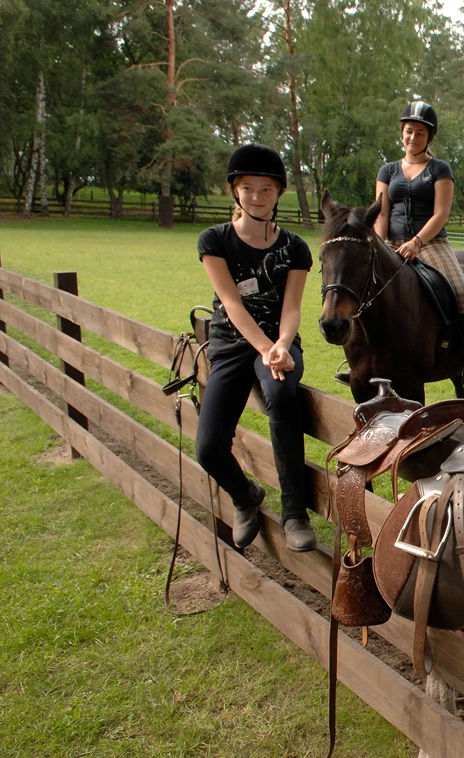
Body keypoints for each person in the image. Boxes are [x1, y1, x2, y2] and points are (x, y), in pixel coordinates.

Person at [195, 143, 317, 553]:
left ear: (279, 193)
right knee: (208, 447)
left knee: (283, 396)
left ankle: (295, 513)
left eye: (267, 189)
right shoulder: (215, 241)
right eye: (249, 188)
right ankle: (245, 497)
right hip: (232, 343)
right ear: (235, 191)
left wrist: (281, 345)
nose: (258, 197)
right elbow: (231, 302)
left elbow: (293, 305)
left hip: (279, 343)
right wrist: (265, 347)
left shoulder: (296, 248)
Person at [350, 100, 464, 388]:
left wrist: (417, 241)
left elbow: (441, 212)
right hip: (390, 241)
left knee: (461, 293)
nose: (413, 137)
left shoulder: (440, 169)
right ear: (402, 133)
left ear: (428, 137)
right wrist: (380, 243)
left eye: (420, 133)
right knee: (360, 290)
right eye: (409, 131)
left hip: (431, 242)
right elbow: (381, 211)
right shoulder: (387, 171)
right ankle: (357, 361)